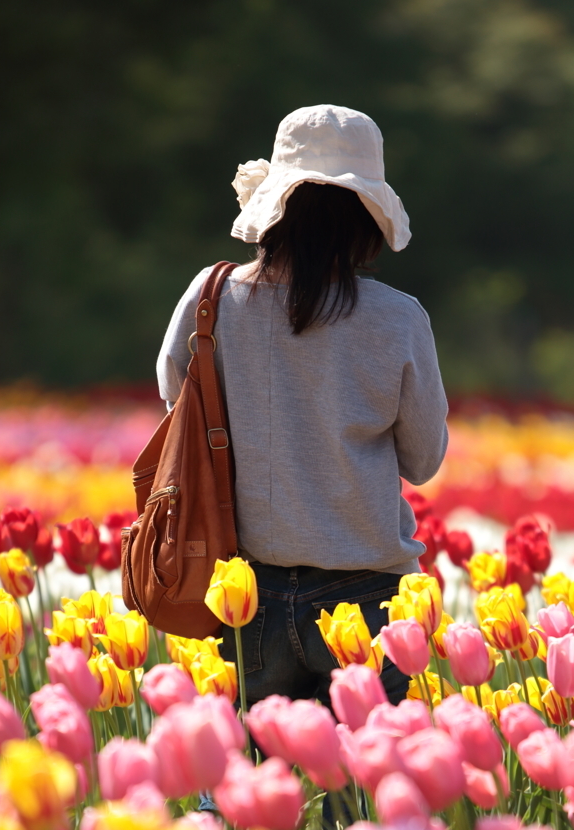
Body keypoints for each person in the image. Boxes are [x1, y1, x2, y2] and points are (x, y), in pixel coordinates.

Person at [156, 103, 448, 711]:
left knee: (252, 793)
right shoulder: (399, 319)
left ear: (275, 206)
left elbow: (174, 399)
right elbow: (422, 461)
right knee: (363, 792)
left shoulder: (211, 299)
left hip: (245, 588)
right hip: (369, 594)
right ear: (368, 216)